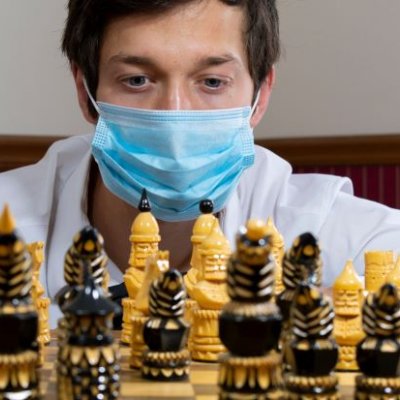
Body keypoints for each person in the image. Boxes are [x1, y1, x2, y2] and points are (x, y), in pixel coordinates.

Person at [0, 0, 399, 327]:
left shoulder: (314, 223)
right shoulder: (11, 213)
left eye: (211, 82)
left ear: (260, 97)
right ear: (85, 91)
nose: (175, 115)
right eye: (137, 80)